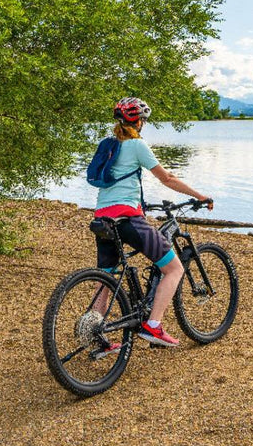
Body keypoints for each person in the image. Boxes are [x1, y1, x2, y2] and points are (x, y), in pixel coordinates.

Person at [91, 96, 213, 356]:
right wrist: (200, 196)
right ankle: (153, 325)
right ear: (140, 121)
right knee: (173, 268)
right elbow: (167, 178)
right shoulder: (136, 144)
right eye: (144, 119)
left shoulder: (108, 144)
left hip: (102, 219)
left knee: (106, 278)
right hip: (127, 218)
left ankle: (94, 332)